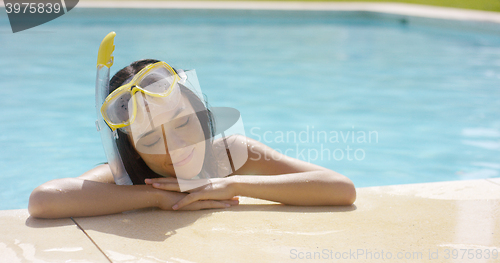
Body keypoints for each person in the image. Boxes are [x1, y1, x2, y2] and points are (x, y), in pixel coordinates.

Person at [28, 37, 355, 219]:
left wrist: (232, 184)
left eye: (184, 123)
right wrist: (154, 198)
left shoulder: (229, 154)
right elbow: (44, 200)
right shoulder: (125, 174)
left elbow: (339, 188)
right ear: (132, 148)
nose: (176, 147)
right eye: (153, 138)